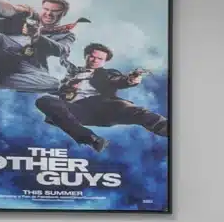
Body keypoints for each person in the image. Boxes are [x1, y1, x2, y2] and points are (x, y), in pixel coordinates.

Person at [33, 43, 167, 153]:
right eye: (92, 56)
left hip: (103, 107)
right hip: (77, 111)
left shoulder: (106, 73)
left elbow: (117, 80)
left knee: (129, 109)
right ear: (86, 56)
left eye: (99, 59)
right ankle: (92, 139)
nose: (94, 60)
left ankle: (164, 126)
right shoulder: (70, 75)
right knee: (44, 100)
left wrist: (130, 79)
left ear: (104, 61)